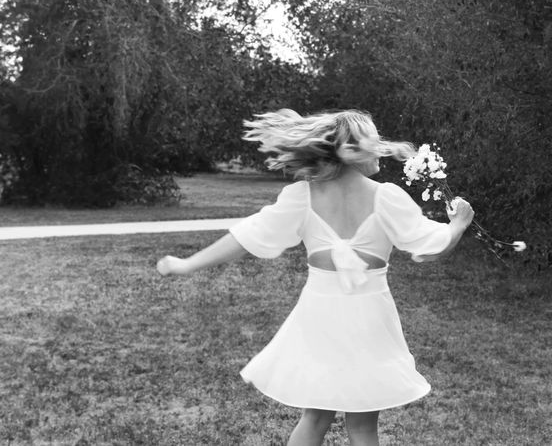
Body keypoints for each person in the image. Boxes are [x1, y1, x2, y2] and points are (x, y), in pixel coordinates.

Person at [157, 109, 474, 446]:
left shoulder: (303, 196)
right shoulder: (387, 197)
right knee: (363, 426)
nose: (380, 147)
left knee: (315, 417)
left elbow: (247, 237)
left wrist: (188, 264)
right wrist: (457, 225)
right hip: (370, 317)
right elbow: (432, 247)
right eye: (374, 139)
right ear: (353, 150)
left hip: (319, 316)